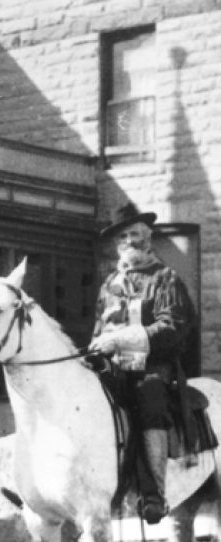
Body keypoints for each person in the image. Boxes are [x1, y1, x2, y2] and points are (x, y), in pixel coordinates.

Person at [88, 203, 198, 524]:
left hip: (153, 366)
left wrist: (124, 339)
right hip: (113, 367)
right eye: (124, 236)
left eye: (136, 234)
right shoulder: (109, 285)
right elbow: (99, 330)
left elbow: (173, 327)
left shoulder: (165, 278)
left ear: (148, 238)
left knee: (148, 395)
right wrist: (96, 347)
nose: (130, 241)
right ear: (117, 243)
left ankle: (153, 494)